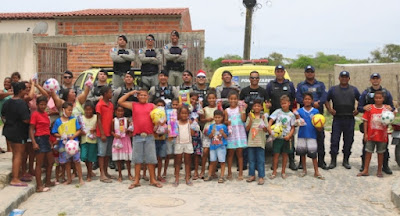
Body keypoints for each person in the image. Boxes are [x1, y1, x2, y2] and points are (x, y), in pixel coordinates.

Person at [118, 90, 163, 189]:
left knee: (151, 159)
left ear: (148, 96)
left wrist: (160, 122)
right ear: (137, 96)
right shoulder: (134, 105)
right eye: (140, 95)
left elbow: (161, 114)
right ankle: (137, 180)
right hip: (137, 136)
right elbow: (120, 102)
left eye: (144, 95)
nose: (142, 96)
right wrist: (130, 93)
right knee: (137, 159)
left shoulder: (152, 106)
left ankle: (152, 179)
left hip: (149, 136)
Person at [357, 73, 395, 174]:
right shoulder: (366, 93)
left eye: (377, 78)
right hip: (369, 126)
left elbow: (392, 107)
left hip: (382, 128)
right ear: (370, 80)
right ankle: (364, 166)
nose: (375, 80)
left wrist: (391, 108)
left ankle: (385, 166)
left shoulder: (386, 93)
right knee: (366, 147)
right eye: (373, 79)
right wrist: (363, 108)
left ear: (380, 80)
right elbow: (359, 108)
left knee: (383, 149)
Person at [325, 71, 360, 169]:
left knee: (348, 140)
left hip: (349, 118)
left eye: (346, 77)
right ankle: (333, 161)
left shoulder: (354, 90)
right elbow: (326, 100)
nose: (344, 79)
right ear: (339, 78)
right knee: (334, 140)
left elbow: (361, 100)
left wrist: (358, 110)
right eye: (342, 77)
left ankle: (346, 161)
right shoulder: (333, 89)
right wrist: (330, 109)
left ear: (349, 78)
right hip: (337, 119)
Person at [296, 65, 328, 170]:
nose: (309, 73)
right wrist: (310, 103)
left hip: (317, 115)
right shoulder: (301, 85)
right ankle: (302, 162)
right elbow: (299, 97)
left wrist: (319, 103)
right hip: (304, 116)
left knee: (320, 138)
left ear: (314, 73)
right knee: (304, 139)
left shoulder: (320, 84)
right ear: (305, 73)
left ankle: (321, 161)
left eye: (311, 72)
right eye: (307, 72)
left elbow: (324, 96)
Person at [266, 65, 297, 171]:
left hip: (288, 114)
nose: (279, 73)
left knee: (289, 139)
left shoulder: (290, 84)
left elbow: (293, 98)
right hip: (276, 115)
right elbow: (267, 98)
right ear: (275, 72)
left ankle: (291, 161)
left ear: (284, 72)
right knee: (276, 140)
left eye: (281, 71)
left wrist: (293, 110)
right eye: (277, 71)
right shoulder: (270, 84)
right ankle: (274, 164)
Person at [1, 82, 30, 187]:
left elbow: (3, 116)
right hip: (19, 132)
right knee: (19, 155)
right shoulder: (21, 103)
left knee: (15, 154)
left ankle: (17, 174)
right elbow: (26, 119)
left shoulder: (7, 102)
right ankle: (15, 178)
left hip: (9, 130)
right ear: (21, 90)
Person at [240, 71, 269, 170]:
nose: (254, 80)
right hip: (248, 119)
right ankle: (244, 163)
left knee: (259, 143)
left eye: (256, 78)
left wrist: (268, 107)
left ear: (259, 79)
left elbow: (268, 103)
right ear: (249, 79)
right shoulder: (244, 91)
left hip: (259, 120)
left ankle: (257, 165)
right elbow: (240, 104)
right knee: (247, 142)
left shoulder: (263, 91)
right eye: (252, 78)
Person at [51, 102, 84, 185]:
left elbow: (79, 130)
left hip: (74, 144)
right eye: (68, 110)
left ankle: (80, 178)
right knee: (67, 162)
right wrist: (62, 135)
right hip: (63, 144)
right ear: (63, 110)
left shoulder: (73, 119)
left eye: (71, 110)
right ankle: (69, 179)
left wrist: (73, 136)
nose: (70, 112)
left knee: (77, 161)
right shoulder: (58, 121)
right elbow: (54, 132)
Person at [358, 91, 388, 178]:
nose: (378, 100)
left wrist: (394, 112)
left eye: (380, 98)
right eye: (376, 98)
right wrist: (365, 134)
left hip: (382, 136)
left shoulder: (386, 110)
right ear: (374, 99)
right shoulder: (370, 108)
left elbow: (390, 118)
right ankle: (366, 169)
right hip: (371, 135)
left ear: (383, 99)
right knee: (368, 152)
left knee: (381, 153)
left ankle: (379, 170)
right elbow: (365, 121)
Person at [295, 92, 325, 180]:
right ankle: (304, 170)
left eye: (309, 99)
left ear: (312, 100)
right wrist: (297, 119)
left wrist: (320, 127)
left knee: (313, 154)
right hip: (302, 135)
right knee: (302, 154)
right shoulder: (299, 111)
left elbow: (319, 125)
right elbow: (297, 123)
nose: (307, 101)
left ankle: (316, 171)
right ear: (303, 101)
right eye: (305, 99)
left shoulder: (316, 111)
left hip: (312, 135)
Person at [29, 96, 55, 192]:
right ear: (37, 105)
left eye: (44, 104)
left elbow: (47, 129)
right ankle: (39, 185)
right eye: (41, 104)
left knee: (51, 161)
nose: (43, 106)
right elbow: (31, 129)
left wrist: (50, 142)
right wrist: (34, 142)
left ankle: (48, 181)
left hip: (46, 138)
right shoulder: (35, 115)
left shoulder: (45, 114)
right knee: (39, 164)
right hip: (39, 138)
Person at [268, 95, 296, 179]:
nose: (284, 105)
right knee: (276, 154)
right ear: (280, 104)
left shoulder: (291, 115)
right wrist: (270, 131)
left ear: (289, 103)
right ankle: (274, 172)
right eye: (282, 103)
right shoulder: (277, 112)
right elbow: (270, 121)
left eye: (285, 103)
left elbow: (293, 127)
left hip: (286, 138)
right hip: (278, 137)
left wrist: (289, 135)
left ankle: (283, 171)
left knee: (285, 155)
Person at [225, 91, 247, 180]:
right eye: (231, 99)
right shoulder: (226, 110)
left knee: (240, 154)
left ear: (238, 100)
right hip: (231, 134)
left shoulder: (240, 109)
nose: (233, 100)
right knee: (230, 154)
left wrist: (243, 111)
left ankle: (240, 173)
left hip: (239, 133)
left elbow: (243, 119)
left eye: (235, 99)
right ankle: (229, 172)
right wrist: (227, 122)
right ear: (228, 100)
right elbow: (225, 121)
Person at [245, 99, 268, 185]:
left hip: (260, 142)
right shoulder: (250, 116)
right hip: (251, 142)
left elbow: (266, 130)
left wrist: (263, 124)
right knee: (251, 160)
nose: (256, 107)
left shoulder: (263, 117)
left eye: (258, 106)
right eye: (255, 106)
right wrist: (251, 120)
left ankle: (261, 176)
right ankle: (252, 175)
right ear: (252, 107)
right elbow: (247, 129)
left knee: (261, 160)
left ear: (262, 107)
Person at [96, 86, 114, 183]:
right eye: (110, 92)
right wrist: (102, 133)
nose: (111, 94)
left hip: (109, 132)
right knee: (102, 154)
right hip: (102, 133)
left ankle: (106, 172)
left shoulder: (110, 104)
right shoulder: (100, 105)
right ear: (105, 93)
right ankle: (102, 173)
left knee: (107, 154)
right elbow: (98, 119)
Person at [204, 110, 228, 183]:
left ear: (222, 118)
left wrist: (223, 133)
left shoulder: (224, 126)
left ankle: (222, 176)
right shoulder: (211, 126)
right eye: (216, 117)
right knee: (212, 161)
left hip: (221, 146)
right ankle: (210, 175)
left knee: (222, 162)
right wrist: (212, 133)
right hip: (213, 146)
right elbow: (210, 136)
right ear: (213, 117)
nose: (217, 119)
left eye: (219, 117)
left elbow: (226, 136)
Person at [173, 106, 195, 187]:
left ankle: (187, 178)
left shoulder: (190, 123)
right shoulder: (176, 123)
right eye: (182, 113)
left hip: (188, 143)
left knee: (187, 161)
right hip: (178, 143)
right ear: (179, 114)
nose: (184, 115)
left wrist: (193, 126)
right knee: (178, 162)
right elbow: (173, 134)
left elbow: (192, 134)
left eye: (186, 113)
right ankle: (177, 179)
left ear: (188, 114)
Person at [111, 105, 133, 182]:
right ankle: (120, 175)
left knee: (127, 159)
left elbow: (131, 130)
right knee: (119, 159)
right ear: (115, 112)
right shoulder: (114, 120)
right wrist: (115, 135)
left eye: (121, 111)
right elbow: (111, 130)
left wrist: (128, 130)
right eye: (118, 111)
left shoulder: (126, 120)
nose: (120, 112)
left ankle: (129, 174)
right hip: (117, 140)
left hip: (125, 139)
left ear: (124, 112)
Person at [199, 90, 218, 179]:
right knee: (205, 151)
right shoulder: (204, 109)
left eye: (213, 98)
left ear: (216, 99)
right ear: (207, 99)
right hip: (207, 131)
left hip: (216, 131)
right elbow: (201, 120)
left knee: (214, 152)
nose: (211, 100)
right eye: (210, 98)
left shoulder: (218, 108)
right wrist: (207, 119)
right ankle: (202, 170)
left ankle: (213, 171)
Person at [80, 101, 98, 182]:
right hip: (84, 140)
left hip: (92, 140)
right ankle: (89, 171)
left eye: (90, 110)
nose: (88, 111)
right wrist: (81, 132)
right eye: (86, 110)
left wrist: (95, 129)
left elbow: (98, 126)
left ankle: (89, 174)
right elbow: (78, 128)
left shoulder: (96, 117)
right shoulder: (81, 118)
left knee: (90, 158)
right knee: (84, 156)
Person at [162, 98, 180, 178]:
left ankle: (176, 172)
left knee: (177, 155)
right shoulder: (168, 113)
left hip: (178, 136)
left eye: (176, 104)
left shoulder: (180, 113)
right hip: (169, 136)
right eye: (174, 104)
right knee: (168, 155)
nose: (175, 106)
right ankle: (165, 171)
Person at [153, 99, 167, 183]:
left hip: (162, 139)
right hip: (154, 139)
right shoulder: (152, 115)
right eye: (158, 105)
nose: (160, 107)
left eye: (162, 105)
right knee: (153, 159)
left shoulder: (166, 116)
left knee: (160, 158)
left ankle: (159, 175)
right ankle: (153, 175)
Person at [189, 92, 202, 180]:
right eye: (192, 99)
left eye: (195, 99)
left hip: (196, 132)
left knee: (197, 153)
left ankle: (196, 171)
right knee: (188, 153)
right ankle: (189, 171)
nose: (193, 101)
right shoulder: (186, 107)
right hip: (186, 132)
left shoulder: (198, 108)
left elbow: (202, 116)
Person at [0, 77, 13, 152]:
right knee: (7, 130)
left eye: (8, 82)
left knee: (10, 131)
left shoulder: (13, 91)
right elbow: (1, 95)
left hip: (11, 114)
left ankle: (10, 148)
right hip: (3, 115)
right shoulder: (3, 91)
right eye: (5, 82)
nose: (6, 83)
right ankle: (9, 148)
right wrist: (11, 93)